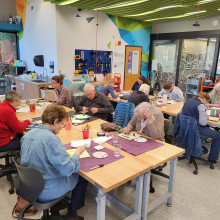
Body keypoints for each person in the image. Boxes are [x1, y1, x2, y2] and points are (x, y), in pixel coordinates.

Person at [20, 104, 88, 220]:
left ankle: (56, 205)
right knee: (82, 177)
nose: (62, 127)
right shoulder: (51, 139)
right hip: (45, 190)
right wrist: (77, 153)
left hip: (28, 186)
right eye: (62, 124)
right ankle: (72, 214)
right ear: (56, 121)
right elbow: (69, 169)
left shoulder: (28, 134)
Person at [181, 92, 220, 164]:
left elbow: (182, 114)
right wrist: (205, 117)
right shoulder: (201, 105)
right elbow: (203, 123)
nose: (205, 104)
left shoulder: (188, 101)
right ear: (205, 99)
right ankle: (212, 159)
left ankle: (193, 148)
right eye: (206, 102)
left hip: (185, 130)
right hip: (196, 131)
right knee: (218, 135)